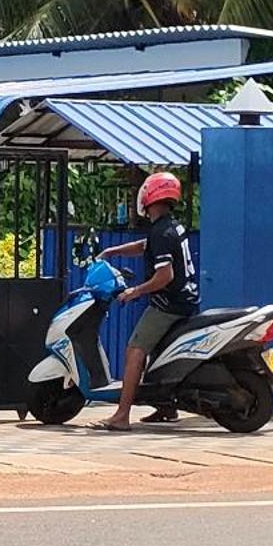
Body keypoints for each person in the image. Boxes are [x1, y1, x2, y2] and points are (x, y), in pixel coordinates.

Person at [96, 172, 199, 431]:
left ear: (150, 196)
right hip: (186, 300)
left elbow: (165, 275)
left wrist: (135, 292)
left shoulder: (161, 232)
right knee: (159, 350)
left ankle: (121, 416)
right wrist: (114, 252)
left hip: (168, 305)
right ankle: (167, 406)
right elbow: (146, 246)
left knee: (134, 350)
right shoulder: (170, 227)